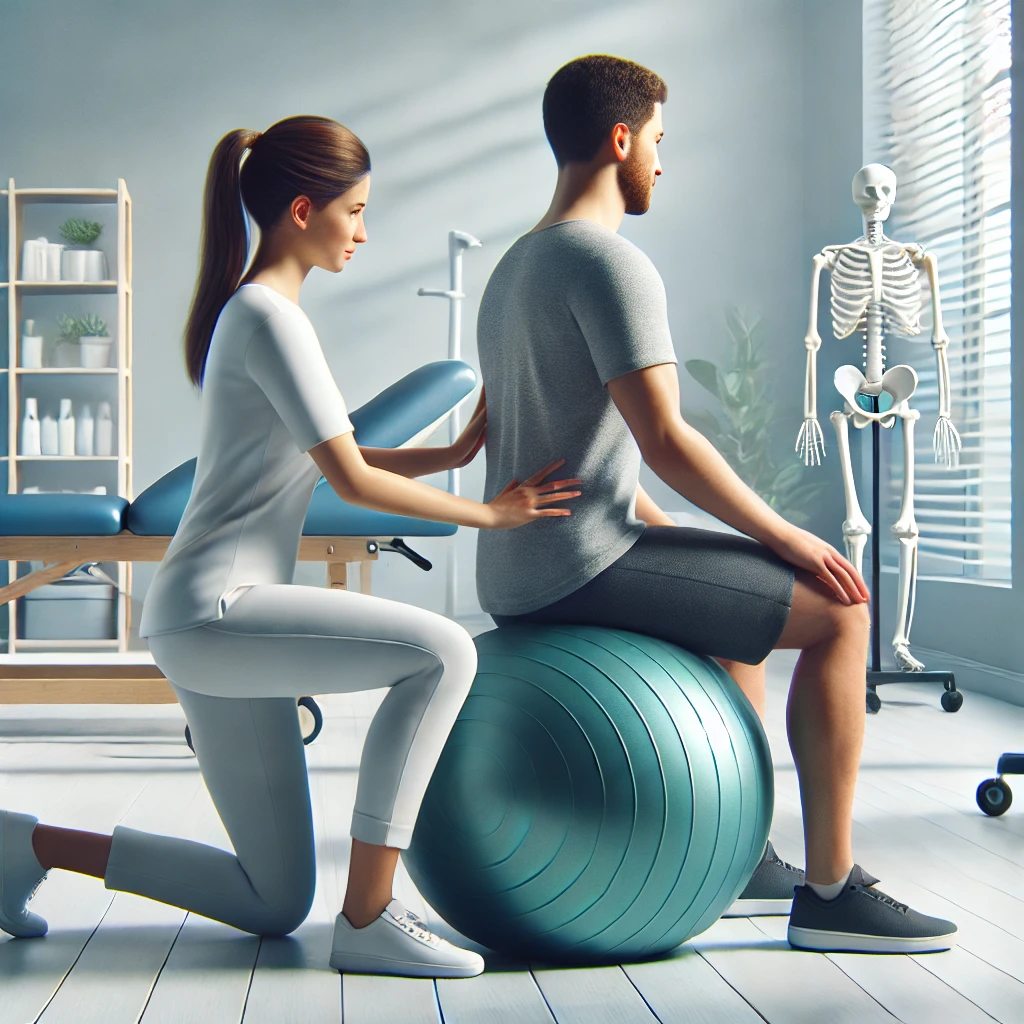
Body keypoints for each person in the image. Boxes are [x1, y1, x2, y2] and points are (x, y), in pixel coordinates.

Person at [0, 115, 582, 979]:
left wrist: (451, 455)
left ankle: (28, 846)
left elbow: (325, 449)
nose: (363, 229)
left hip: (205, 625)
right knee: (443, 653)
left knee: (270, 902)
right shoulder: (270, 319)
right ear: (304, 209)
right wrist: (491, 515)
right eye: (354, 209)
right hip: (221, 615)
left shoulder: (258, 313)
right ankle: (372, 912)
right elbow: (347, 479)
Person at [475, 55, 958, 954]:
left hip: (526, 565)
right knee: (842, 612)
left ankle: (743, 856)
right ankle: (831, 889)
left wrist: (714, 540)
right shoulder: (609, 264)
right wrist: (785, 534)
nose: (662, 162)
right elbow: (665, 438)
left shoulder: (516, 267)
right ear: (620, 141)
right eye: (657, 141)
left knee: (751, 593)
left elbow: (576, 450)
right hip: (577, 567)